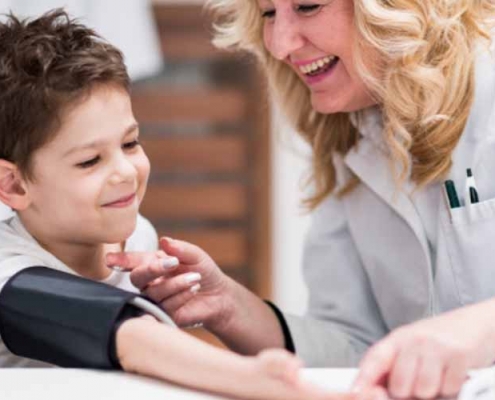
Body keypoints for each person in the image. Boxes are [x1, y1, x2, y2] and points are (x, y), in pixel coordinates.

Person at [107, 1, 495, 399]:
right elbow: (353, 347)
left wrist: (479, 329)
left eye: (308, 6)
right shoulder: (350, 135)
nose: (279, 44)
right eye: (269, 14)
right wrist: (228, 305)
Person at [0, 9, 349, 400]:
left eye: (130, 143)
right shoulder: (7, 270)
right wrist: (254, 378)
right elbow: (130, 338)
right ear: (12, 184)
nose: (125, 173)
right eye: (89, 161)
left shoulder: (138, 239)